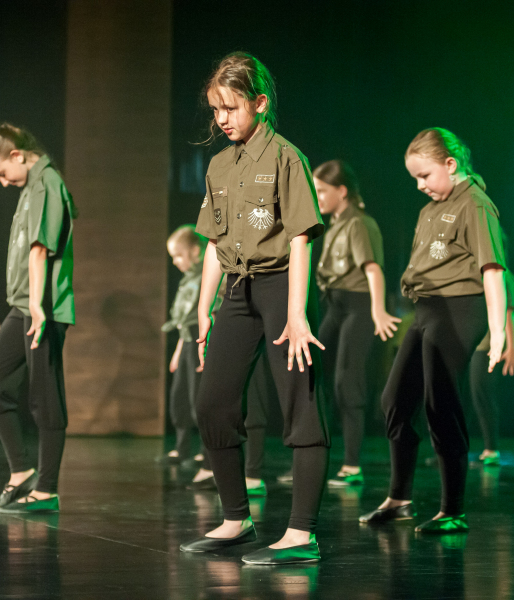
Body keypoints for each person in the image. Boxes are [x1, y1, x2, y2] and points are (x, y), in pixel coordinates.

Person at [179, 52, 330, 565]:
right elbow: (213, 243)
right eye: (215, 110)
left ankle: (301, 535)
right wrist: (203, 309)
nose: (221, 119)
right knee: (213, 405)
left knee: (300, 404)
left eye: (231, 107)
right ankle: (235, 520)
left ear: (259, 103)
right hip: (236, 291)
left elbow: (301, 238)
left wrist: (297, 313)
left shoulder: (287, 157)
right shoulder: (220, 164)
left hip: (282, 286)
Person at [360, 128, 506, 533]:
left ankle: (452, 510)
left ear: (450, 164)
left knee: (440, 402)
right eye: (415, 178)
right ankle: (399, 499)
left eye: (425, 175)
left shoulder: (475, 204)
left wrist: (498, 332)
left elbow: (493, 269)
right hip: (426, 309)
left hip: (460, 307)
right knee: (394, 400)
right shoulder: (429, 210)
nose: (420, 185)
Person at [0, 123, 76, 514]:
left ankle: (46, 490)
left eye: (2, 173)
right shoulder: (32, 186)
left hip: (42, 309)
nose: (3, 182)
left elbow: (39, 250)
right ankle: (21, 472)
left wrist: (36, 305)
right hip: (24, 306)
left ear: (17, 155)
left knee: (44, 397)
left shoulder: (46, 183)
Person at [313, 160, 400, 487]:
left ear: (342, 191)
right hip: (335, 306)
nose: (318, 197)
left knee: (347, 382)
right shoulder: (335, 223)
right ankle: (310, 460)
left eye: (322, 191)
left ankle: (352, 466)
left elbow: (373, 269)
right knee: (308, 369)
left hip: (358, 307)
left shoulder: (361, 223)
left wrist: (378, 310)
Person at [158, 225, 212, 471]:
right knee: (179, 397)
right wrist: (178, 351)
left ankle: (206, 452)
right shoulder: (187, 279)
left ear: (195, 251)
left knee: (197, 399)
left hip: (201, 342)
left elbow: (210, 313)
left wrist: (207, 348)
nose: (175, 261)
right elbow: (182, 321)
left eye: (179, 255)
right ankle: (182, 447)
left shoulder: (208, 276)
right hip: (187, 342)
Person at [469, 270, 514, 466]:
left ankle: (491, 449)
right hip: (471, 343)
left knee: (483, 394)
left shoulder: (501, 273)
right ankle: (450, 449)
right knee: (467, 394)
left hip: (487, 344)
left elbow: (507, 310)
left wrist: (511, 345)